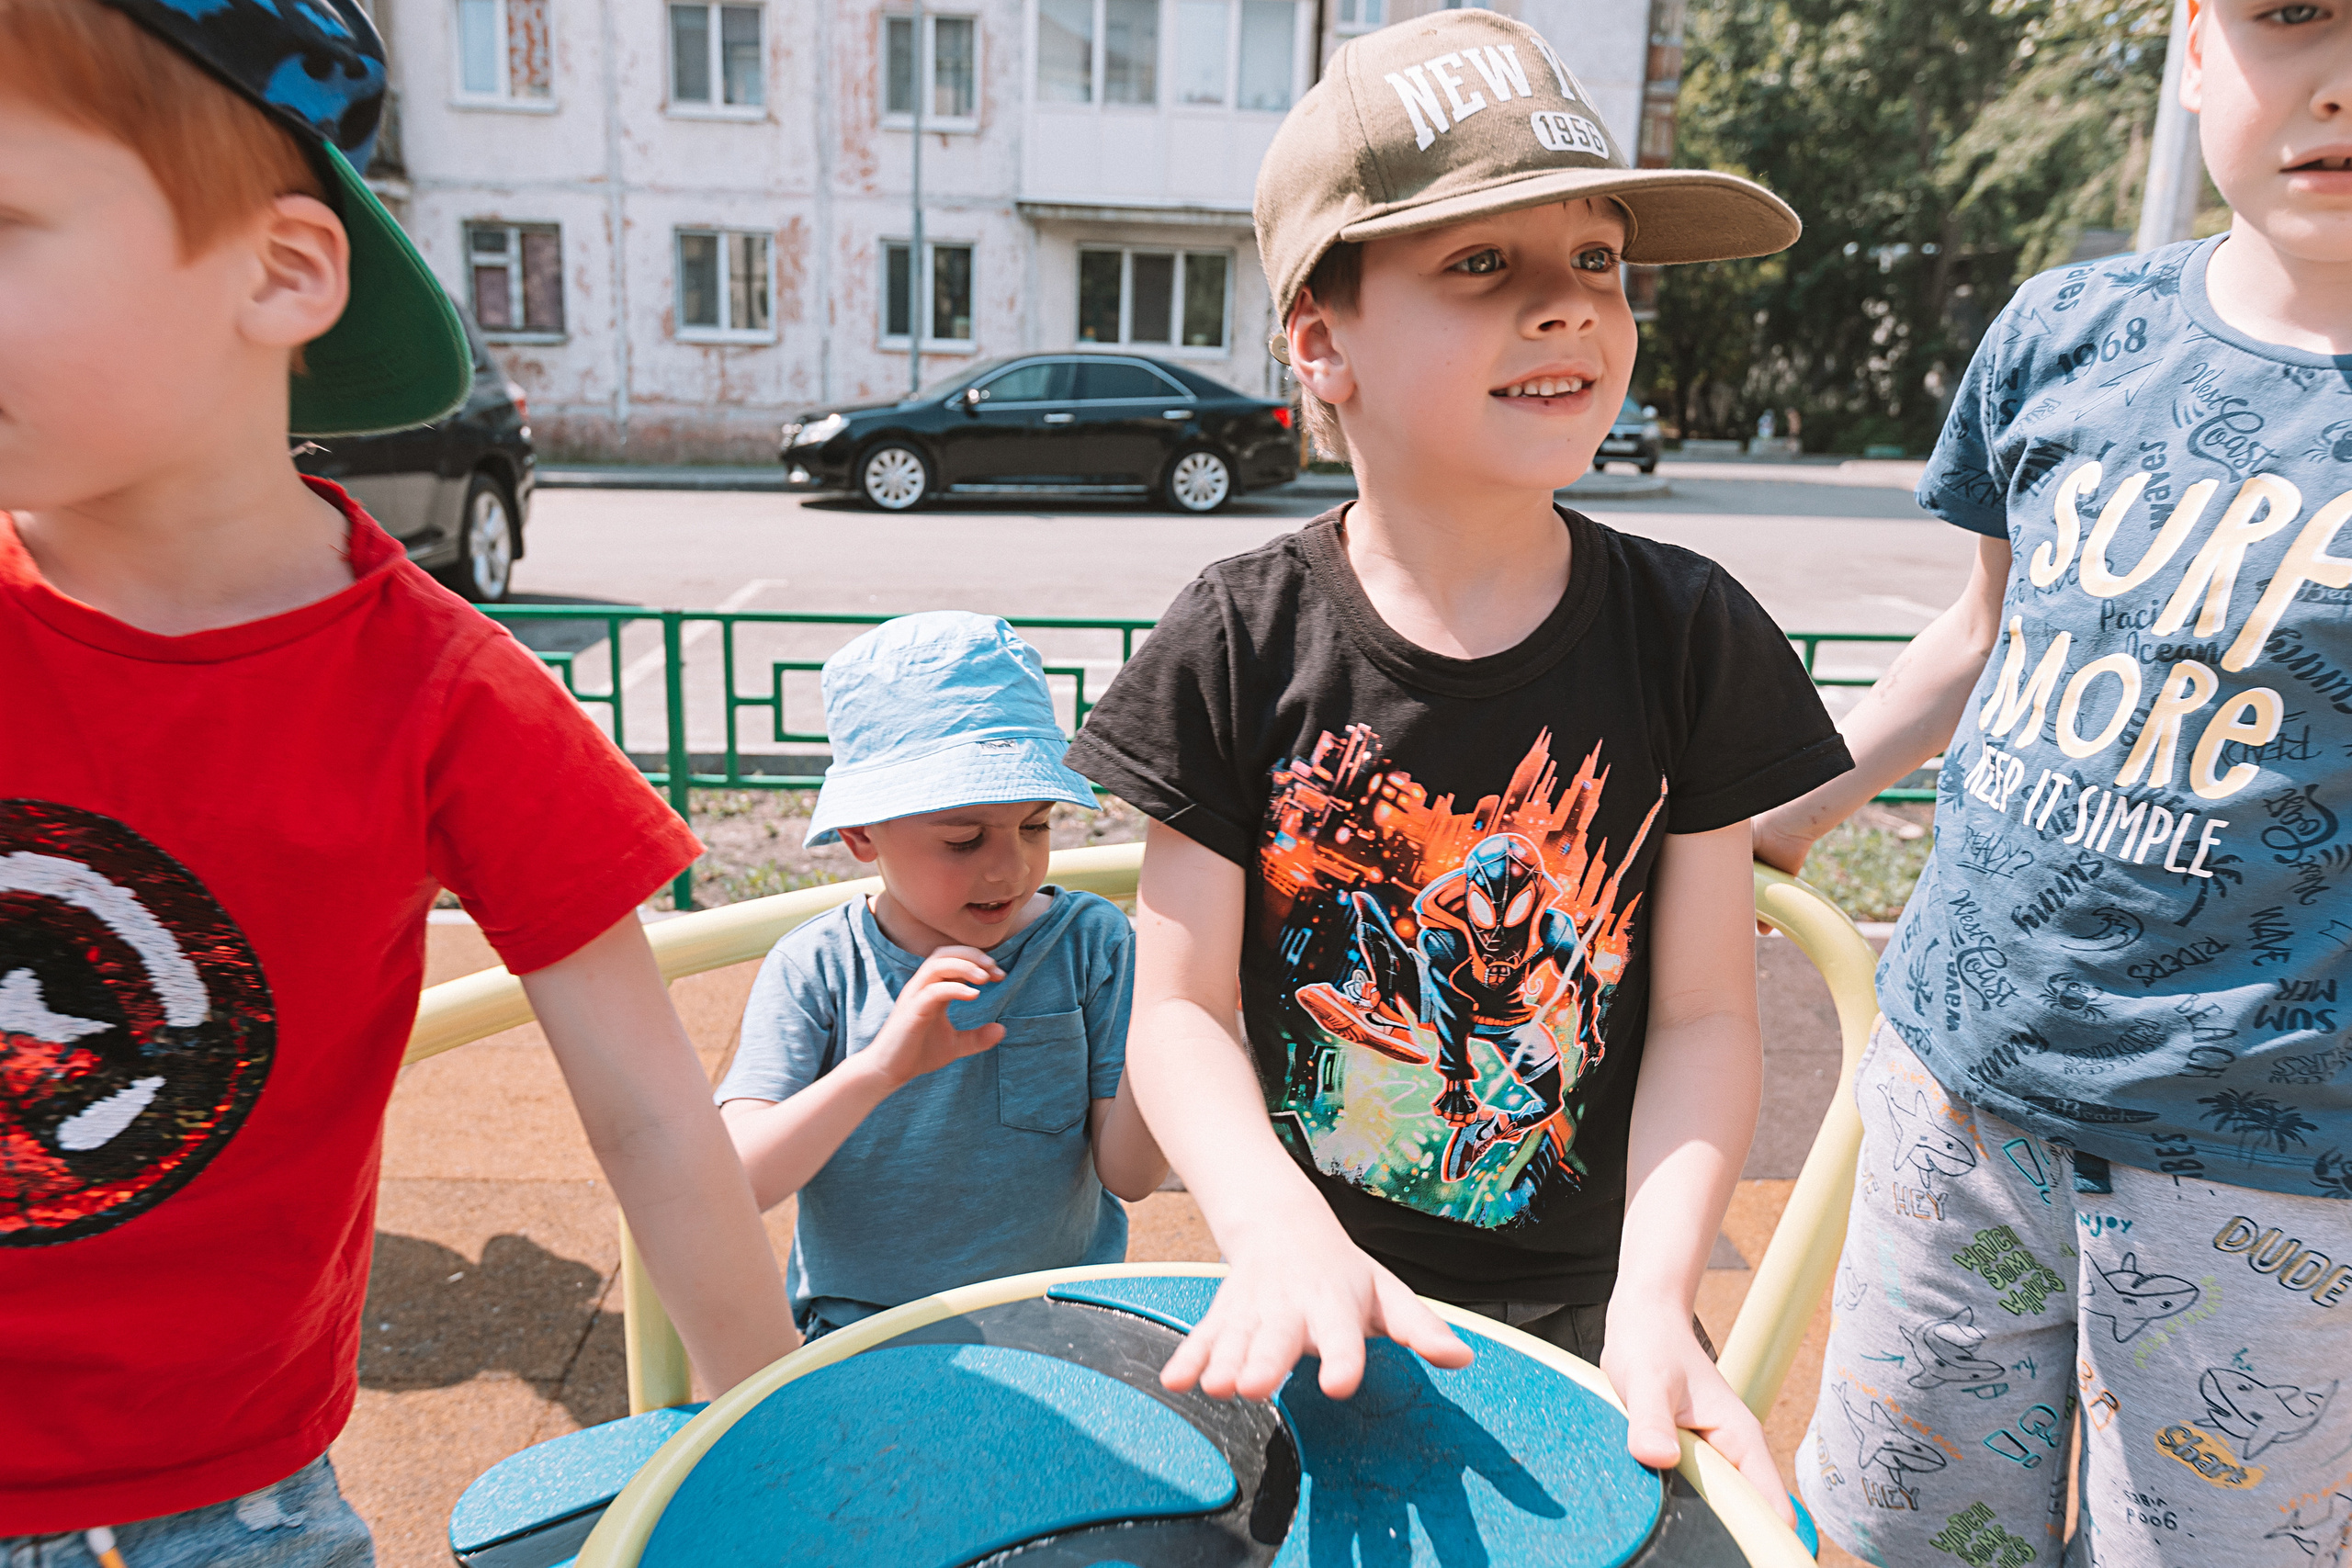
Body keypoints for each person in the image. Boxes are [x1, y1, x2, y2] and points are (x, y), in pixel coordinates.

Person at [0, 0, 794, 1556]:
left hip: (220, 1500)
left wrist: (774, 1434)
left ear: (281, 271)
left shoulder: (442, 700)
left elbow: (648, 1109)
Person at [1063, 8, 1849, 1510]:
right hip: (1310, 1281)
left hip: (1599, 1307)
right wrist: (1276, 1227)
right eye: (1483, 263)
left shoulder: (1688, 631)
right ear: (1319, 339)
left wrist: (1654, 1294)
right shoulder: (1238, 636)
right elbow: (1176, 1014)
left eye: (1599, 260)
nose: (1566, 308)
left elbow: (1697, 1016)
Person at [1756, 1, 2352, 1561]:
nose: (2339, 82)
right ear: (2197, 53)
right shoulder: (2067, 330)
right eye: (2293, 17)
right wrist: (1795, 809)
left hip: (2274, 1170)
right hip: (1958, 1088)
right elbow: (1978, 637)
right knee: (1901, 1536)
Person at [717, 614, 1166, 1341]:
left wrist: (1174, 1020)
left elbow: (1131, 1175)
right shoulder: (820, 967)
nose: (1009, 867)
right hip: (867, 1330)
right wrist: (880, 1070)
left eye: (1036, 824)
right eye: (964, 839)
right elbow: (734, 1183)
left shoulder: (1089, 942)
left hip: (1063, 1317)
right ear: (862, 834)